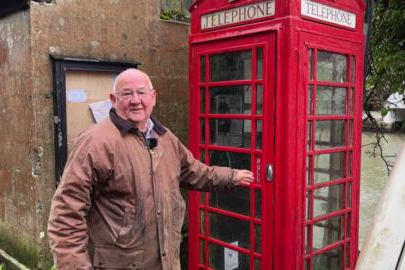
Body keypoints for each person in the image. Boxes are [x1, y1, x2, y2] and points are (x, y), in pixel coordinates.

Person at [47, 69, 254, 270]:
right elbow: (66, 213)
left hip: (167, 260)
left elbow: (194, 172)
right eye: (127, 93)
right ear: (113, 99)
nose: (135, 100)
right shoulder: (96, 142)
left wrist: (232, 176)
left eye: (142, 92)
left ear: (153, 97)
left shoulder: (165, 138)